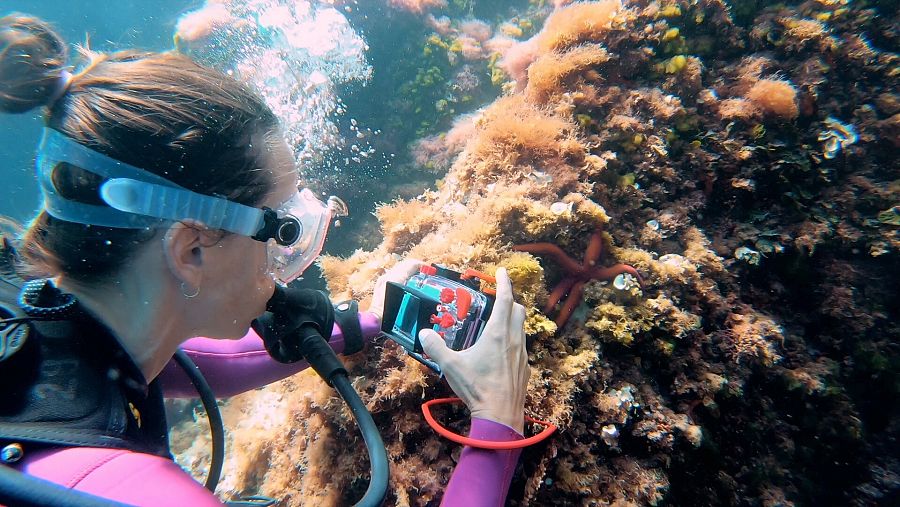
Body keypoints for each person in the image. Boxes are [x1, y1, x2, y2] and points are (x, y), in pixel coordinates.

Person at [0, 14, 530, 507]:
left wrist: (376, 319)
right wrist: (496, 419)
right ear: (191, 250)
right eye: (280, 227)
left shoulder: (60, 340)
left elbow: (195, 366)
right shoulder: (107, 492)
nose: (284, 255)